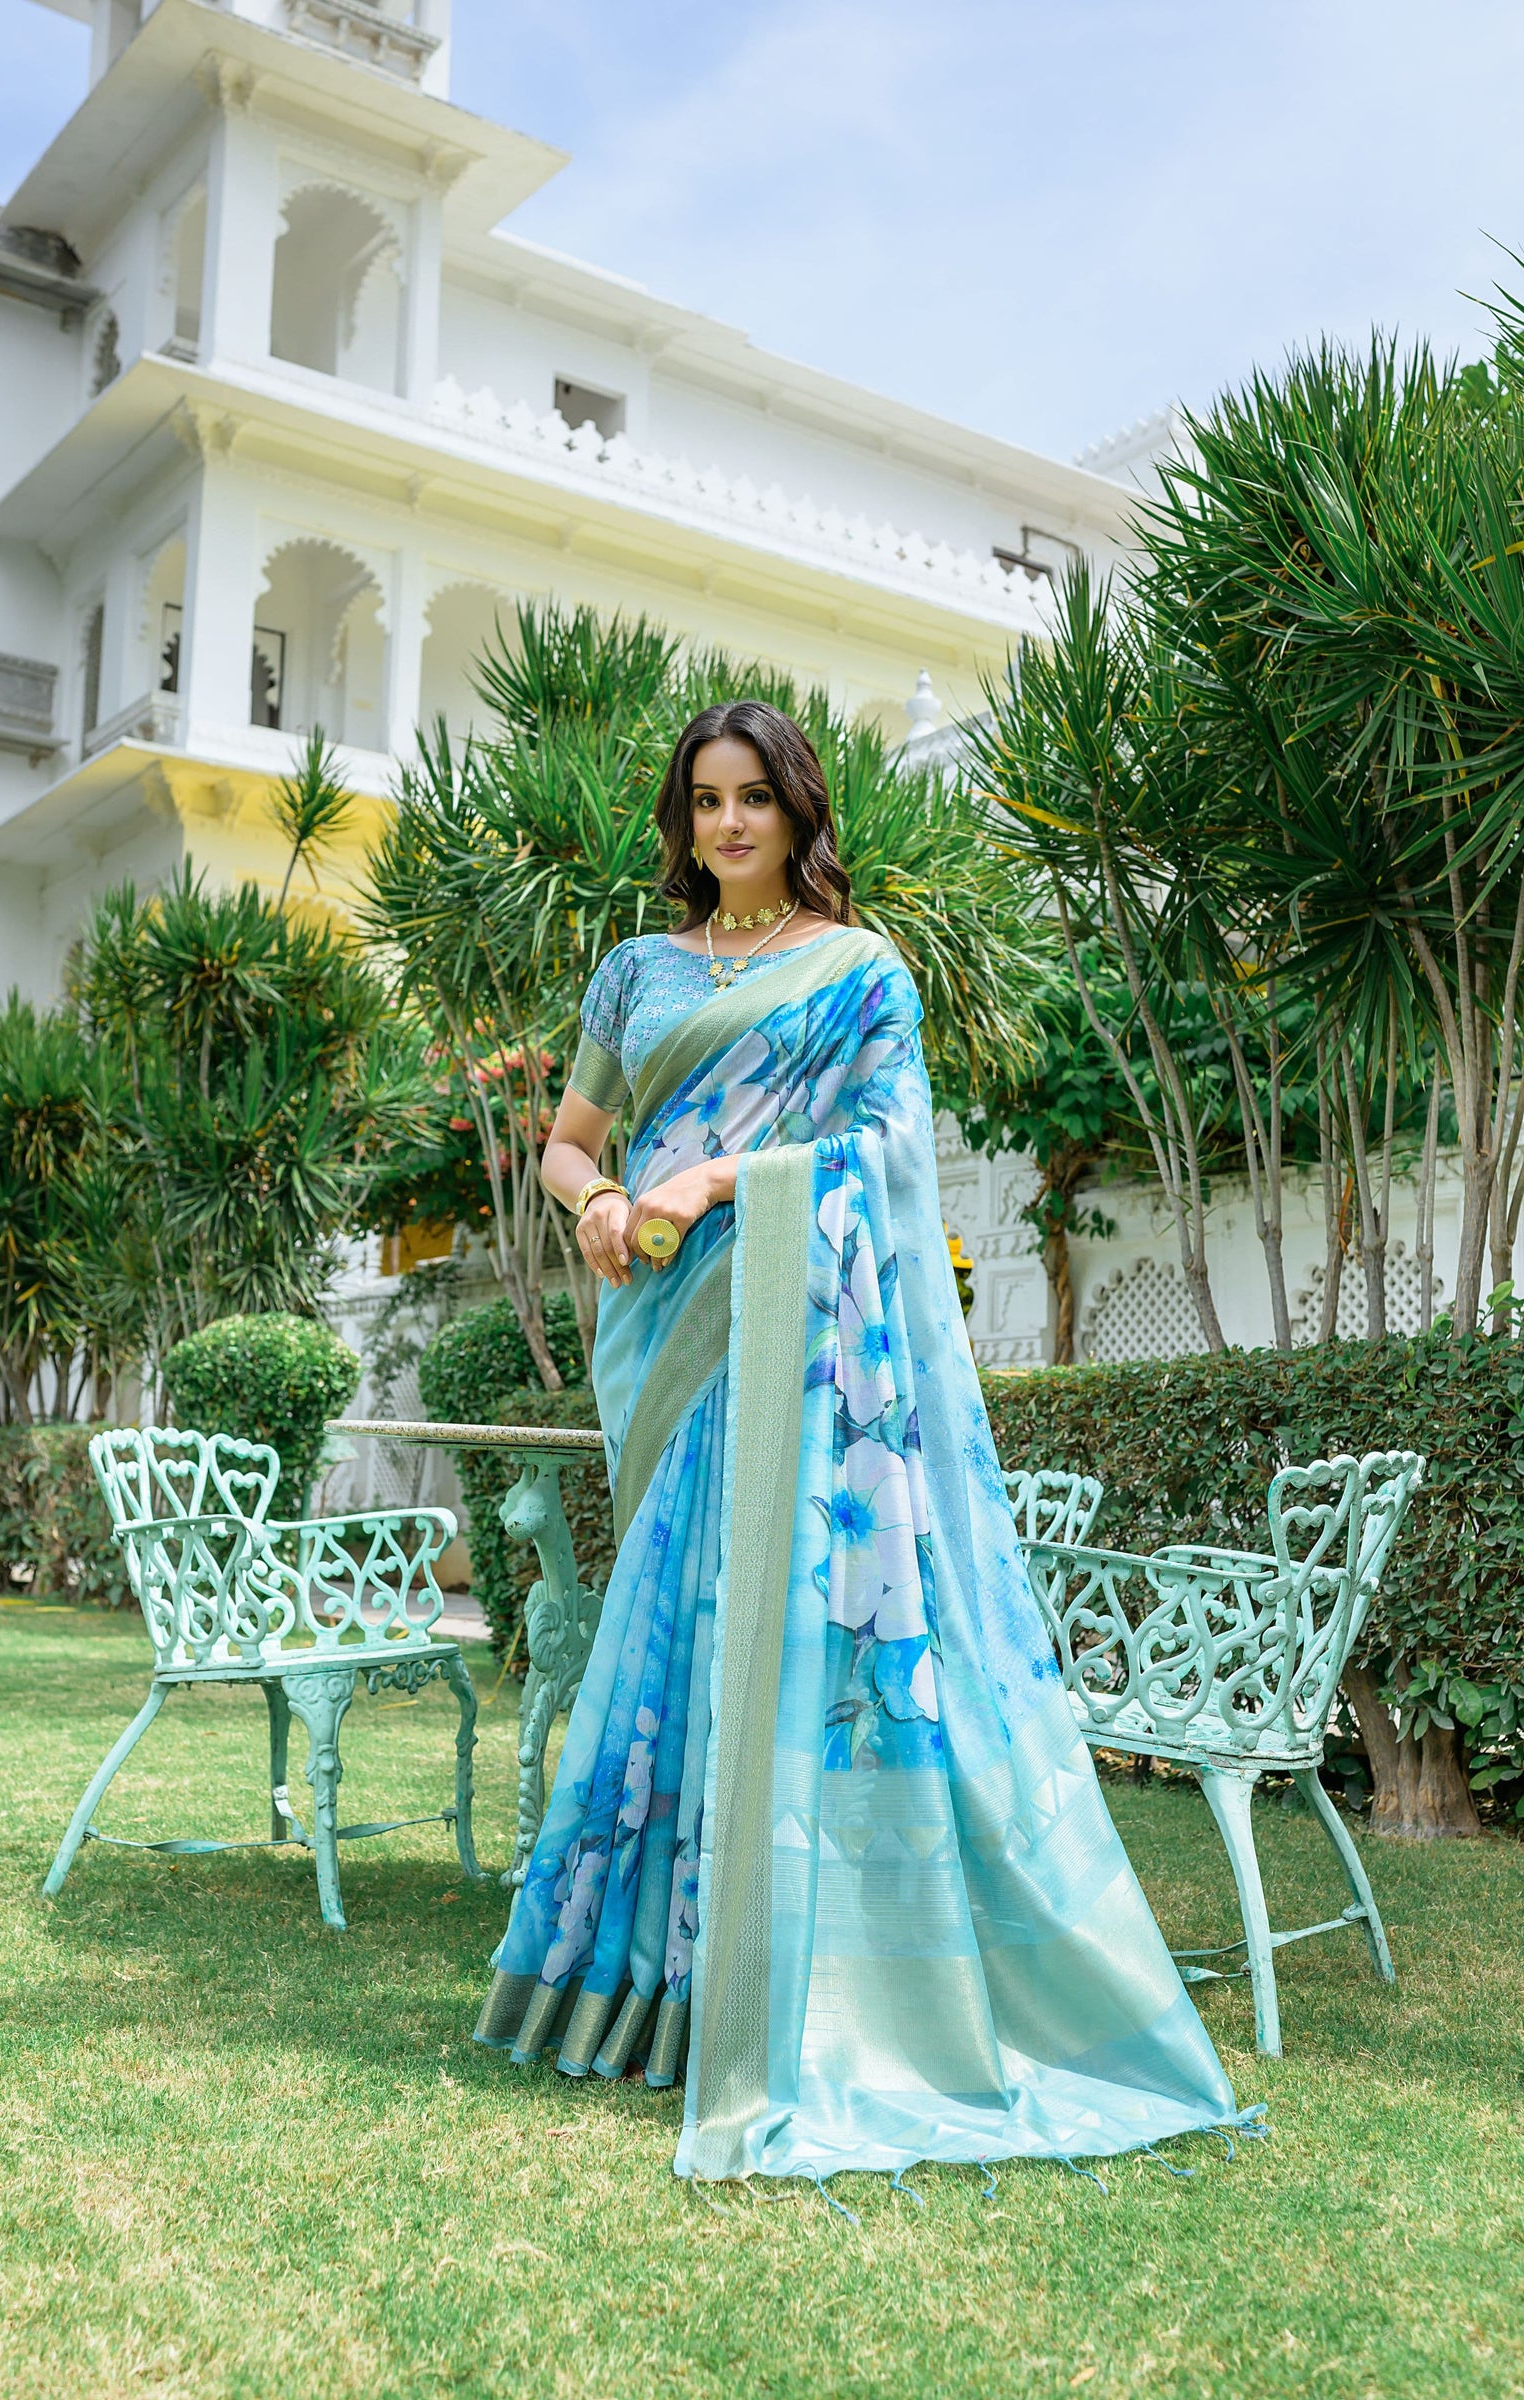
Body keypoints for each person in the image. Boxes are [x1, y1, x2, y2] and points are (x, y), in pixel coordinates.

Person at [475, 699, 1255, 2189]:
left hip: (797, 1336)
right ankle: (647, 1988)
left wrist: (710, 1181)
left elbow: (893, 1155)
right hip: (663, 1331)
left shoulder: (860, 970)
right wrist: (588, 1194)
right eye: (704, 801)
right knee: (678, 1631)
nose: (727, 826)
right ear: (681, 821)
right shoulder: (635, 972)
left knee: (768, 1627)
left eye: (753, 798)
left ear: (798, 810)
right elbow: (569, 1135)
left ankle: (787, 1983)